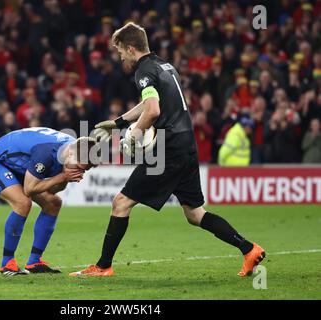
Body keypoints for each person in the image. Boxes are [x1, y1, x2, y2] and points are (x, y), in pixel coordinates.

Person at [70, 22, 265, 278]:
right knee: (195, 214)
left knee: (121, 202)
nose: (120, 57)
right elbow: (148, 103)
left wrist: (133, 136)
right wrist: (119, 123)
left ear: (131, 48)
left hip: (168, 147)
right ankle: (249, 249)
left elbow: (152, 110)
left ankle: (103, 266)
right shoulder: (164, 66)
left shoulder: (143, 72)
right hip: (186, 142)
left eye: (120, 52)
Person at [0, 127, 98, 275]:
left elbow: (52, 190)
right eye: (78, 167)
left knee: (53, 203)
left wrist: (65, 178)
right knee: (23, 203)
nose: (79, 171)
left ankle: (34, 262)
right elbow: (29, 189)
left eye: (83, 170)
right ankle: (7, 263)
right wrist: (62, 177)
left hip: (20, 167)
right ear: (71, 152)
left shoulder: (71, 151)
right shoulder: (46, 153)